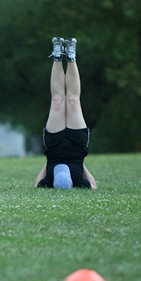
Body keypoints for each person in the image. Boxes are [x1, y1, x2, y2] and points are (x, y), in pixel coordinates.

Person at [35, 37, 97, 189]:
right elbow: (94, 185)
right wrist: (81, 164)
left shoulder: (48, 181)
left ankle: (57, 56)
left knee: (57, 101)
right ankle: (71, 57)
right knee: (73, 101)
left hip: (54, 146)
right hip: (77, 145)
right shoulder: (78, 181)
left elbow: (36, 184)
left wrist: (49, 162)